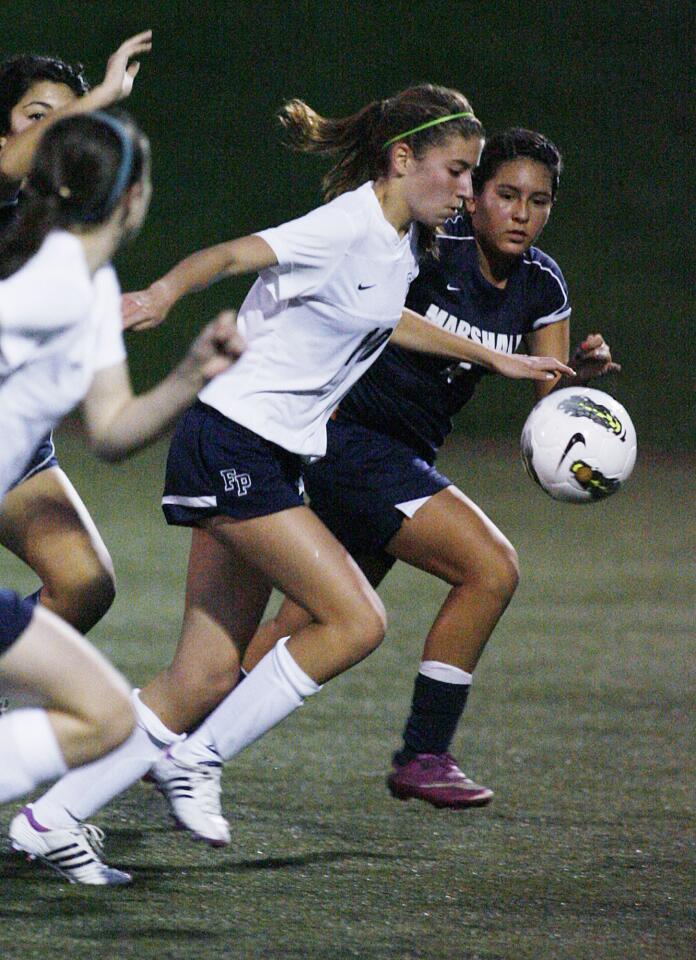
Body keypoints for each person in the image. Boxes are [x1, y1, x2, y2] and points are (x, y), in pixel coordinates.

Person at [12, 88, 573, 884]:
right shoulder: (346, 223)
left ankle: (50, 819)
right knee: (355, 619)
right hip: (236, 444)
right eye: (457, 171)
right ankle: (197, 760)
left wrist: (501, 358)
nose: (465, 190)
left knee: (202, 676)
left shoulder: (400, 243)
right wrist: (166, 293)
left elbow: (383, 319)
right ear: (402, 160)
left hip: (263, 453)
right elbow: (236, 254)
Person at [241, 128, 620, 810]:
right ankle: (425, 753)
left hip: (396, 461)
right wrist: (494, 357)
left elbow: (549, 417)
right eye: (505, 194)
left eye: (538, 201)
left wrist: (577, 384)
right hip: (344, 437)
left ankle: (171, 730)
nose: (521, 213)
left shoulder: (542, 285)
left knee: (304, 626)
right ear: (473, 198)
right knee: (490, 568)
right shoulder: (425, 251)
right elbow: (376, 315)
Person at [1, 111, 244, 883]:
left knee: (106, 717)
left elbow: (110, 430)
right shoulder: (47, 283)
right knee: (100, 715)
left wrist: (190, 375)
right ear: (131, 196)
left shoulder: (89, 283)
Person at [0, 32, 152, 633]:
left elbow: (112, 425)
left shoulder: (60, 240)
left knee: (84, 583)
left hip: (13, 439)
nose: (59, 131)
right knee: (99, 713)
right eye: (41, 117)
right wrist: (102, 99)